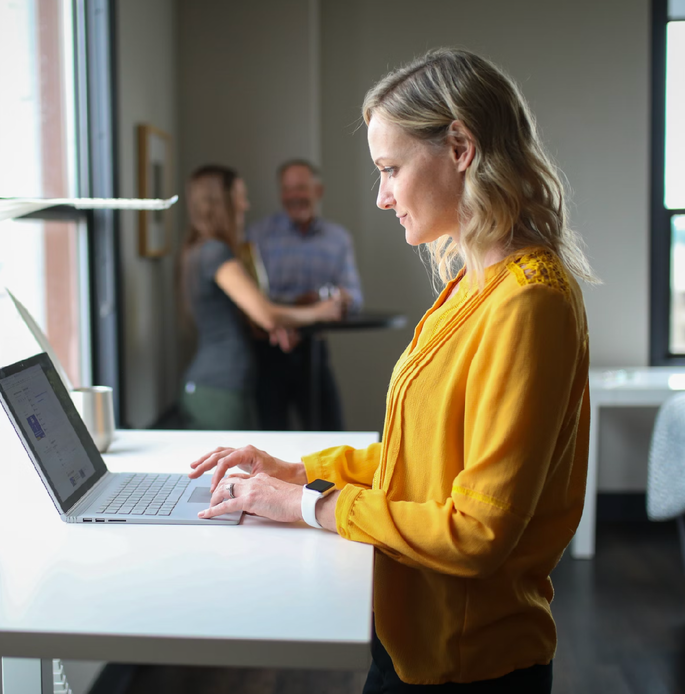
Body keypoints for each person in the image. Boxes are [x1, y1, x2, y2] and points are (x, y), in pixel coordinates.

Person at [187, 48, 597, 692]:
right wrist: (300, 472)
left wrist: (310, 506)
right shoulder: (471, 285)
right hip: (409, 638)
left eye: (390, 169)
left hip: (468, 665)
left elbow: (477, 530)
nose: (381, 196)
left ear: (460, 146)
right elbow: (423, 462)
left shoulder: (529, 302)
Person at [179, 164, 342, 431]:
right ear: (222, 202)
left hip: (215, 386)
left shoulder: (201, 249)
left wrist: (273, 329)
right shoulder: (215, 252)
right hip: (219, 388)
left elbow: (246, 318)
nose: (245, 205)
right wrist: (321, 312)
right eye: (240, 197)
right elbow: (265, 312)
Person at [246, 160, 363, 431]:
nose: (293, 196)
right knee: (271, 439)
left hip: (314, 350)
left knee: (331, 435)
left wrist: (338, 299)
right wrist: (297, 309)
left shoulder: (338, 238)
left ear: (317, 191)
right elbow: (252, 299)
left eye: (300, 188)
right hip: (268, 351)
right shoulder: (257, 235)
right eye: (287, 189)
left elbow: (355, 297)